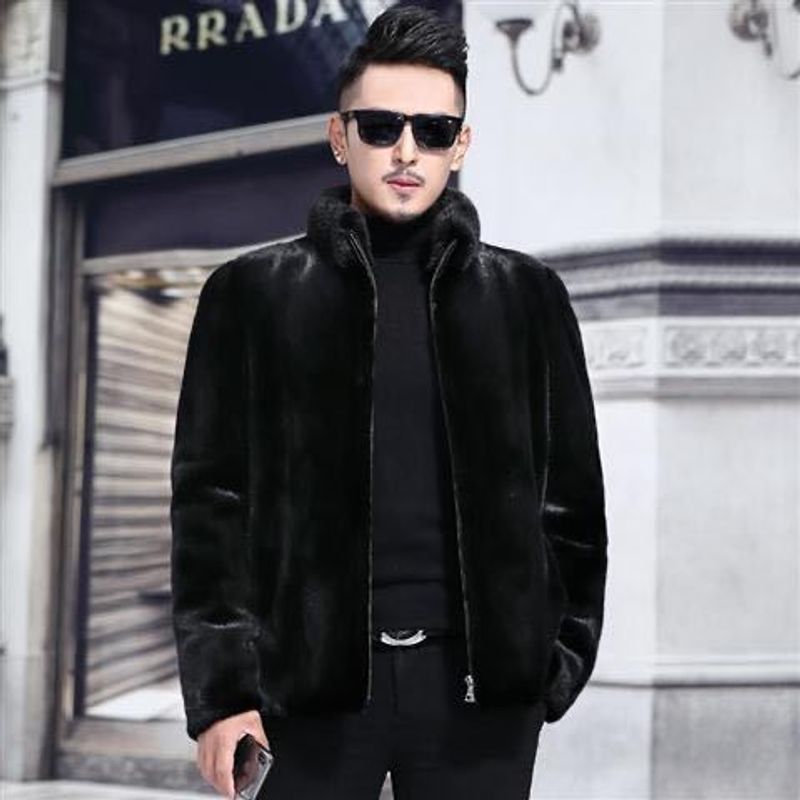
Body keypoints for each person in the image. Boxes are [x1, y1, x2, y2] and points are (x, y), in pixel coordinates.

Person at [169, 5, 607, 799]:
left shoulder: (527, 298)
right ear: (340, 137)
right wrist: (223, 694)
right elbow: (211, 507)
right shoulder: (250, 295)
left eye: (434, 131)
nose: (407, 151)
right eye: (381, 126)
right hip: (307, 696)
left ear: (460, 146)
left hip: (481, 700)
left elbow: (573, 506)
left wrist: (554, 662)